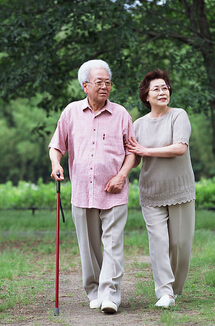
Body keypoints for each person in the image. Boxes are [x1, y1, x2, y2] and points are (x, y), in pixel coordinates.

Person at [49, 59, 135, 314]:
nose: (105, 87)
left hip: (115, 192)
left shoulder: (121, 114)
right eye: (99, 82)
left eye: (108, 83)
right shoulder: (71, 112)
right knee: (88, 247)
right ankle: (94, 289)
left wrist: (121, 175)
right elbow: (57, 145)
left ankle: (110, 294)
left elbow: (132, 151)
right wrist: (56, 164)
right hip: (82, 192)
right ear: (84, 85)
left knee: (113, 243)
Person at [126, 69, 195, 308]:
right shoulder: (137, 125)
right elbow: (133, 158)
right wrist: (120, 173)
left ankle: (175, 289)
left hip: (180, 191)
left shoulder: (179, 116)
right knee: (158, 242)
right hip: (151, 192)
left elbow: (179, 148)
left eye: (165, 87)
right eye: (156, 88)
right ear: (146, 96)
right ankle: (165, 292)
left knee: (180, 246)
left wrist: (147, 151)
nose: (162, 92)